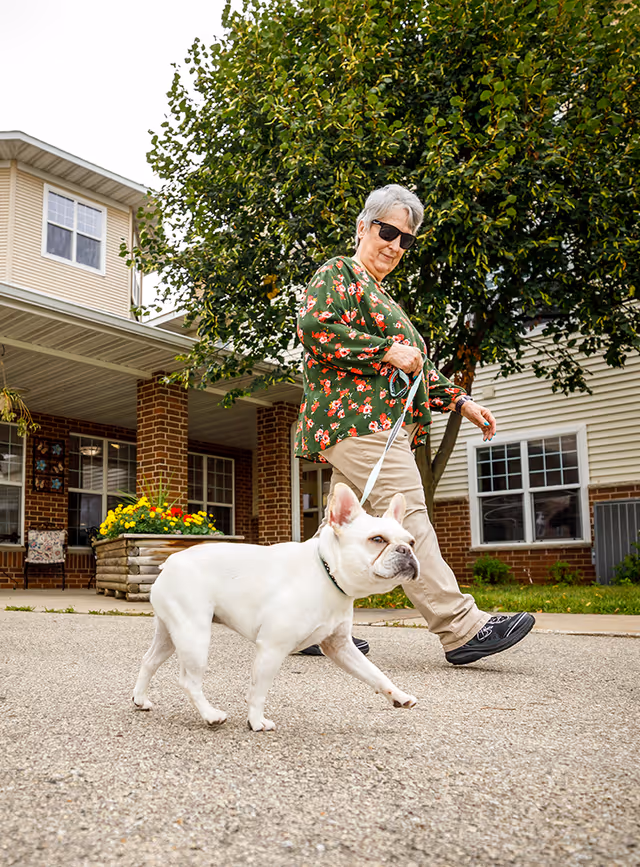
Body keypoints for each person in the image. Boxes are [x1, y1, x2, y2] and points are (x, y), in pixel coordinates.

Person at [294, 184, 534, 664]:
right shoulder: (340, 273)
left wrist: (460, 400)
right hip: (360, 422)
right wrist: (385, 349)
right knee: (410, 520)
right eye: (388, 232)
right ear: (364, 226)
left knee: (335, 534)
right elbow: (315, 330)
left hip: (370, 427)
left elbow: (416, 365)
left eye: (406, 240)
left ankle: (303, 625)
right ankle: (461, 628)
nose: (395, 245)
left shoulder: (383, 297)